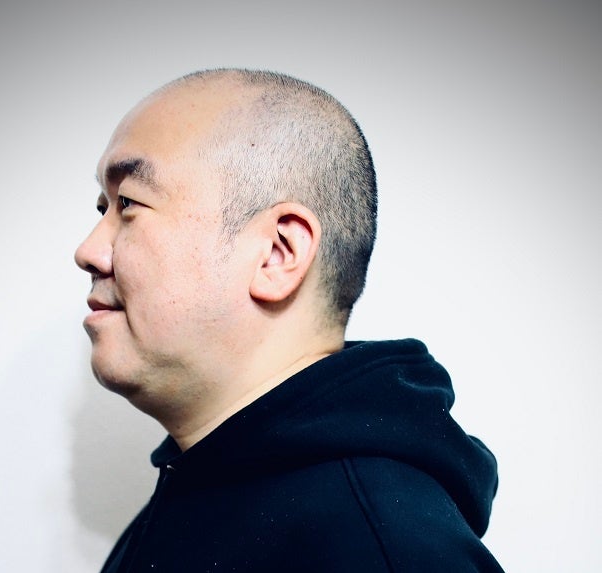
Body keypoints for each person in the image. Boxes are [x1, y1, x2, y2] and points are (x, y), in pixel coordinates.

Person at [75, 69, 504, 572]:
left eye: (128, 203)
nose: (88, 251)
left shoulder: (384, 553)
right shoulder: (191, 496)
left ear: (277, 253)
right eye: (103, 208)